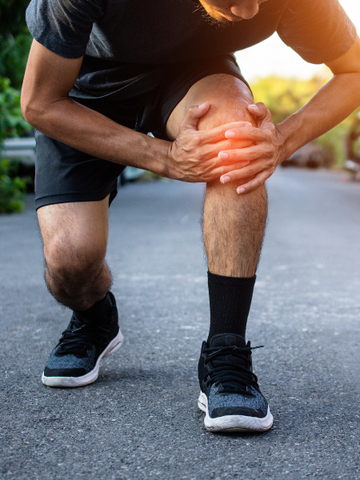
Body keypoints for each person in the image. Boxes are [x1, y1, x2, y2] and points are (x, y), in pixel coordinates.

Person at [21, 0, 360, 433]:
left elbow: (354, 70)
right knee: (71, 260)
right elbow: (39, 101)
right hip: (84, 89)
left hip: (195, 76)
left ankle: (226, 350)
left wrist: (279, 141)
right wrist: (163, 159)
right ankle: (94, 318)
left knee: (236, 139)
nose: (249, 9)